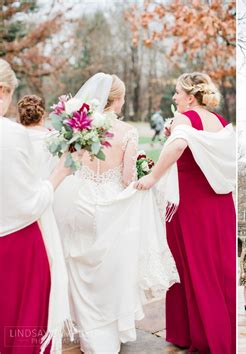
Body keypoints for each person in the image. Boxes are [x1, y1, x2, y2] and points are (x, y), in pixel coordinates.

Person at [54, 73, 178, 353]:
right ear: (118, 99)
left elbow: (70, 164)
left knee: (80, 265)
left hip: (79, 200)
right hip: (113, 206)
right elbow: (126, 177)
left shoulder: (80, 127)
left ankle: (88, 332)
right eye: (122, 99)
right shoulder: (128, 132)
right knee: (113, 270)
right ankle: (109, 330)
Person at [134, 72, 236, 353]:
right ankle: (219, 333)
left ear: (190, 96)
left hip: (190, 205)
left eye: (177, 92)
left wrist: (153, 177)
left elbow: (180, 145)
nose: (174, 97)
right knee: (217, 269)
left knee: (188, 266)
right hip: (220, 204)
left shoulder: (185, 117)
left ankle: (199, 336)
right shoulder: (222, 121)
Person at [0, 59, 73, 354]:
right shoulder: (11, 134)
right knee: (21, 328)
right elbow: (28, 203)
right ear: (2, 90)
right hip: (16, 244)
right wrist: (61, 172)